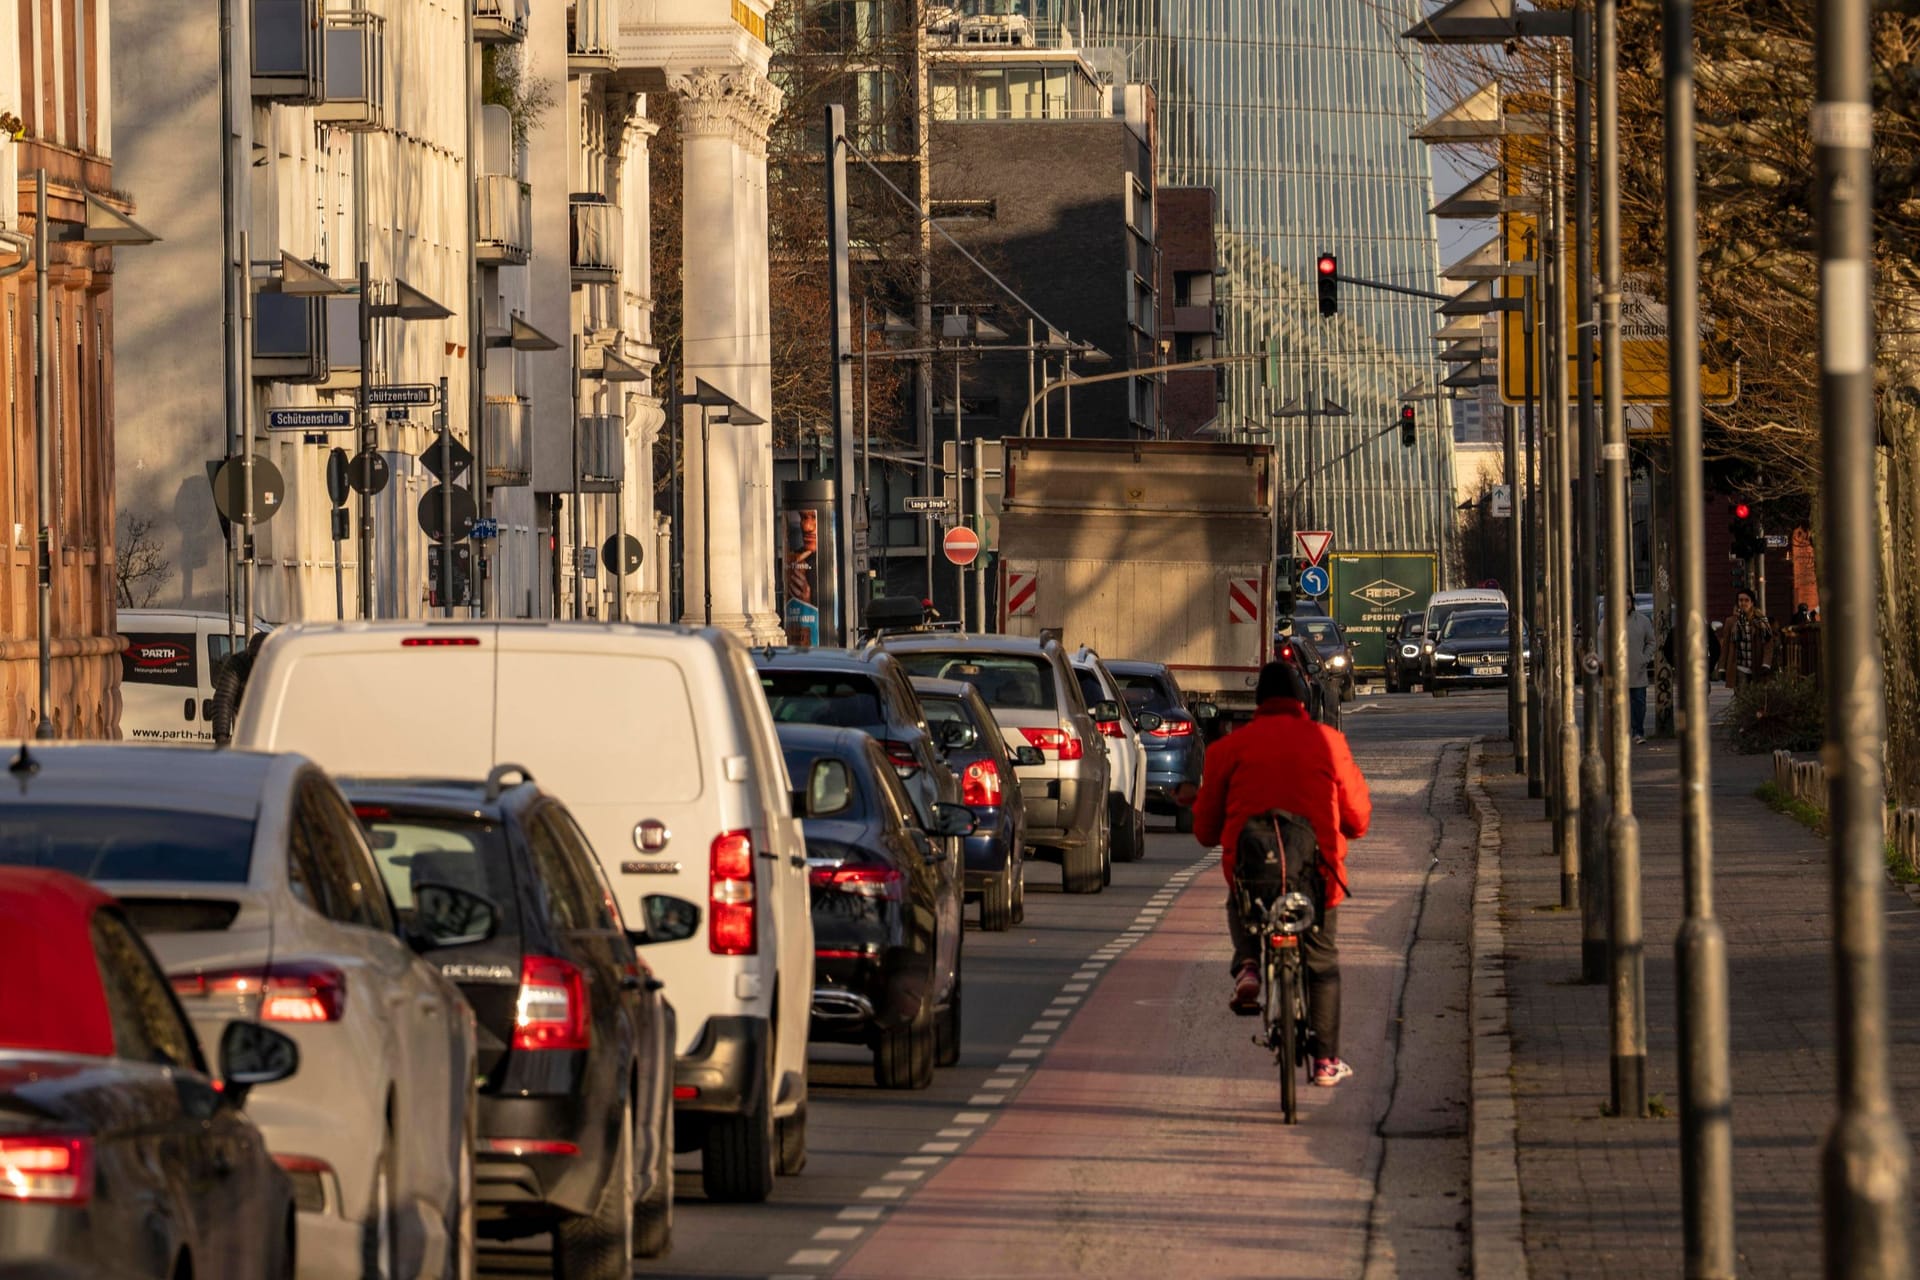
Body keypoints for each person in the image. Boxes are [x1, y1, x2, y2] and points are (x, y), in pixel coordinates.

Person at [1187, 660, 1371, 1088]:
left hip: (1253, 875)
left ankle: (1249, 963)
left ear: (1258, 702)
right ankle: (1325, 1061)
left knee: (1242, 898)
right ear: (1302, 700)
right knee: (1322, 963)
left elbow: (1204, 831)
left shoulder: (1227, 750)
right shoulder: (1329, 742)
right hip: (1316, 877)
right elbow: (1358, 818)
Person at [1718, 588, 1773, 689]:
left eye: (1746, 600)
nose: (1743, 603)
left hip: (1757, 666)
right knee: (1742, 697)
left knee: (1756, 698)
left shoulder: (1761, 621)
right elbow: (1725, 646)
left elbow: (1768, 644)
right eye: (1740, 600)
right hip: (1739, 667)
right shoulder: (1731, 622)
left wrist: (1766, 663)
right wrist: (1722, 668)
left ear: (1752, 603)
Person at [1624, 605, 1656, 744]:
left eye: (1628, 600)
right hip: (1619, 670)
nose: (1626, 603)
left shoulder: (1642, 620)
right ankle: (1622, 732)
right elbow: (1601, 640)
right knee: (1622, 703)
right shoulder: (1610, 620)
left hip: (1638, 668)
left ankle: (1638, 732)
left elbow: (1651, 641)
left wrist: (1645, 657)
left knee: (1639, 702)